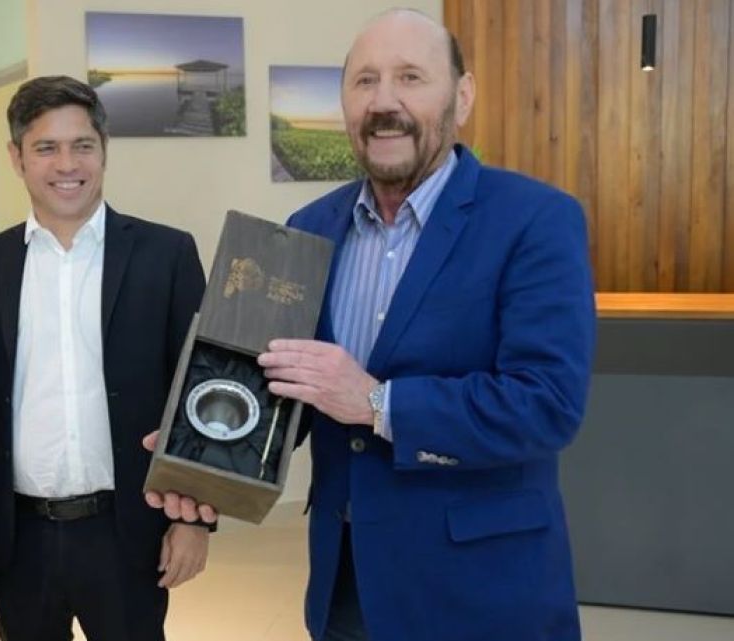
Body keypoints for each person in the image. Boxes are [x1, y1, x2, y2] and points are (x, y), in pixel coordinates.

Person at [146, 9, 595, 641]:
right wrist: (206, 452)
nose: (384, 102)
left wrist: (378, 403)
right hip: (347, 586)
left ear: (462, 96)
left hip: (483, 589)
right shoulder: (308, 229)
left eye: (411, 77)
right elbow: (287, 394)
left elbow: (546, 405)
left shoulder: (535, 220)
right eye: (364, 81)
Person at [0, 75, 210, 641]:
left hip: (127, 531)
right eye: (46, 148)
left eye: (82, 145)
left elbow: (198, 393)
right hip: (20, 539)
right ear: (16, 157)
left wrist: (194, 520)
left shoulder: (167, 254)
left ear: (103, 150)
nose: (67, 164)